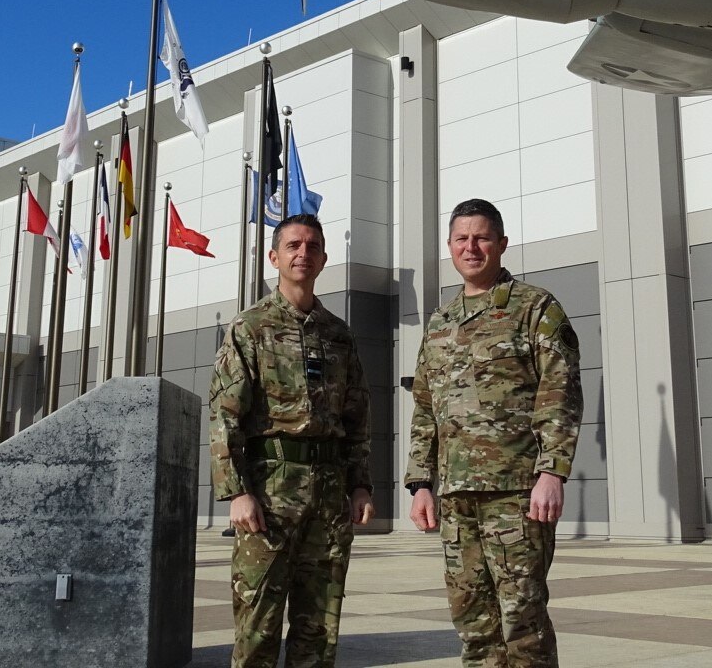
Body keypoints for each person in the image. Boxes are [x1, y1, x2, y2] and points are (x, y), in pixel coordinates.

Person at [405, 198, 583, 668]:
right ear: (449, 246)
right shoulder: (440, 323)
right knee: (473, 625)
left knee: (522, 622)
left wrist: (552, 472)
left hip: (517, 494)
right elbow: (426, 407)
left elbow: (559, 393)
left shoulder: (535, 308)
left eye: (482, 237)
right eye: (462, 238)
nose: (472, 247)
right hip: (456, 495)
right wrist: (421, 483)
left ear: (502, 244)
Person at [208, 213, 376, 668]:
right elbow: (224, 414)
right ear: (274, 257)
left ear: (324, 257)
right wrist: (236, 492)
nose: (303, 254)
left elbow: (356, 416)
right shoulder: (251, 327)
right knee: (258, 622)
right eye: (293, 246)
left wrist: (360, 484)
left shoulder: (338, 335)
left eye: (312, 246)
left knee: (318, 626)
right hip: (269, 491)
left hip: (328, 494)